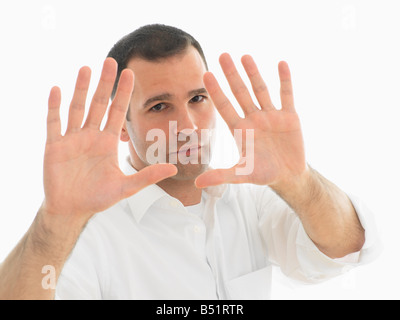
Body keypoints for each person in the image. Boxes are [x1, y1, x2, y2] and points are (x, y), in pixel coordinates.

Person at [0, 24, 381, 300]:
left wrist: (300, 181)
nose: (188, 126)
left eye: (198, 98)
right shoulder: (87, 230)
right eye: (160, 106)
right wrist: (56, 223)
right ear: (120, 126)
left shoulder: (250, 198)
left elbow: (346, 246)